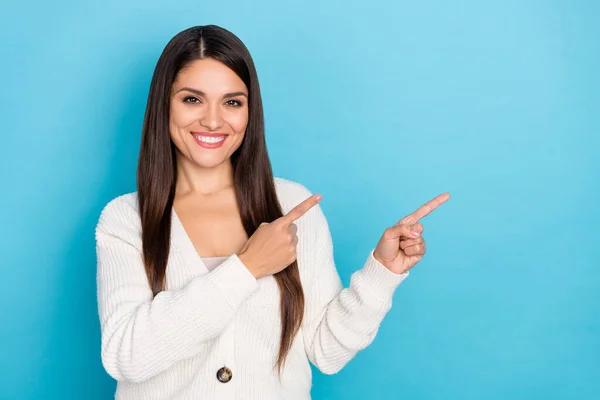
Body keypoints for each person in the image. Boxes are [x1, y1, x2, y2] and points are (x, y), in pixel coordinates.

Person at [95, 24, 450, 400]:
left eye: (232, 102)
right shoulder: (125, 219)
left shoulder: (292, 208)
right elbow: (126, 356)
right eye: (192, 99)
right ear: (163, 104)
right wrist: (247, 267)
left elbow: (326, 350)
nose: (213, 121)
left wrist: (382, 272)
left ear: (250, 112)